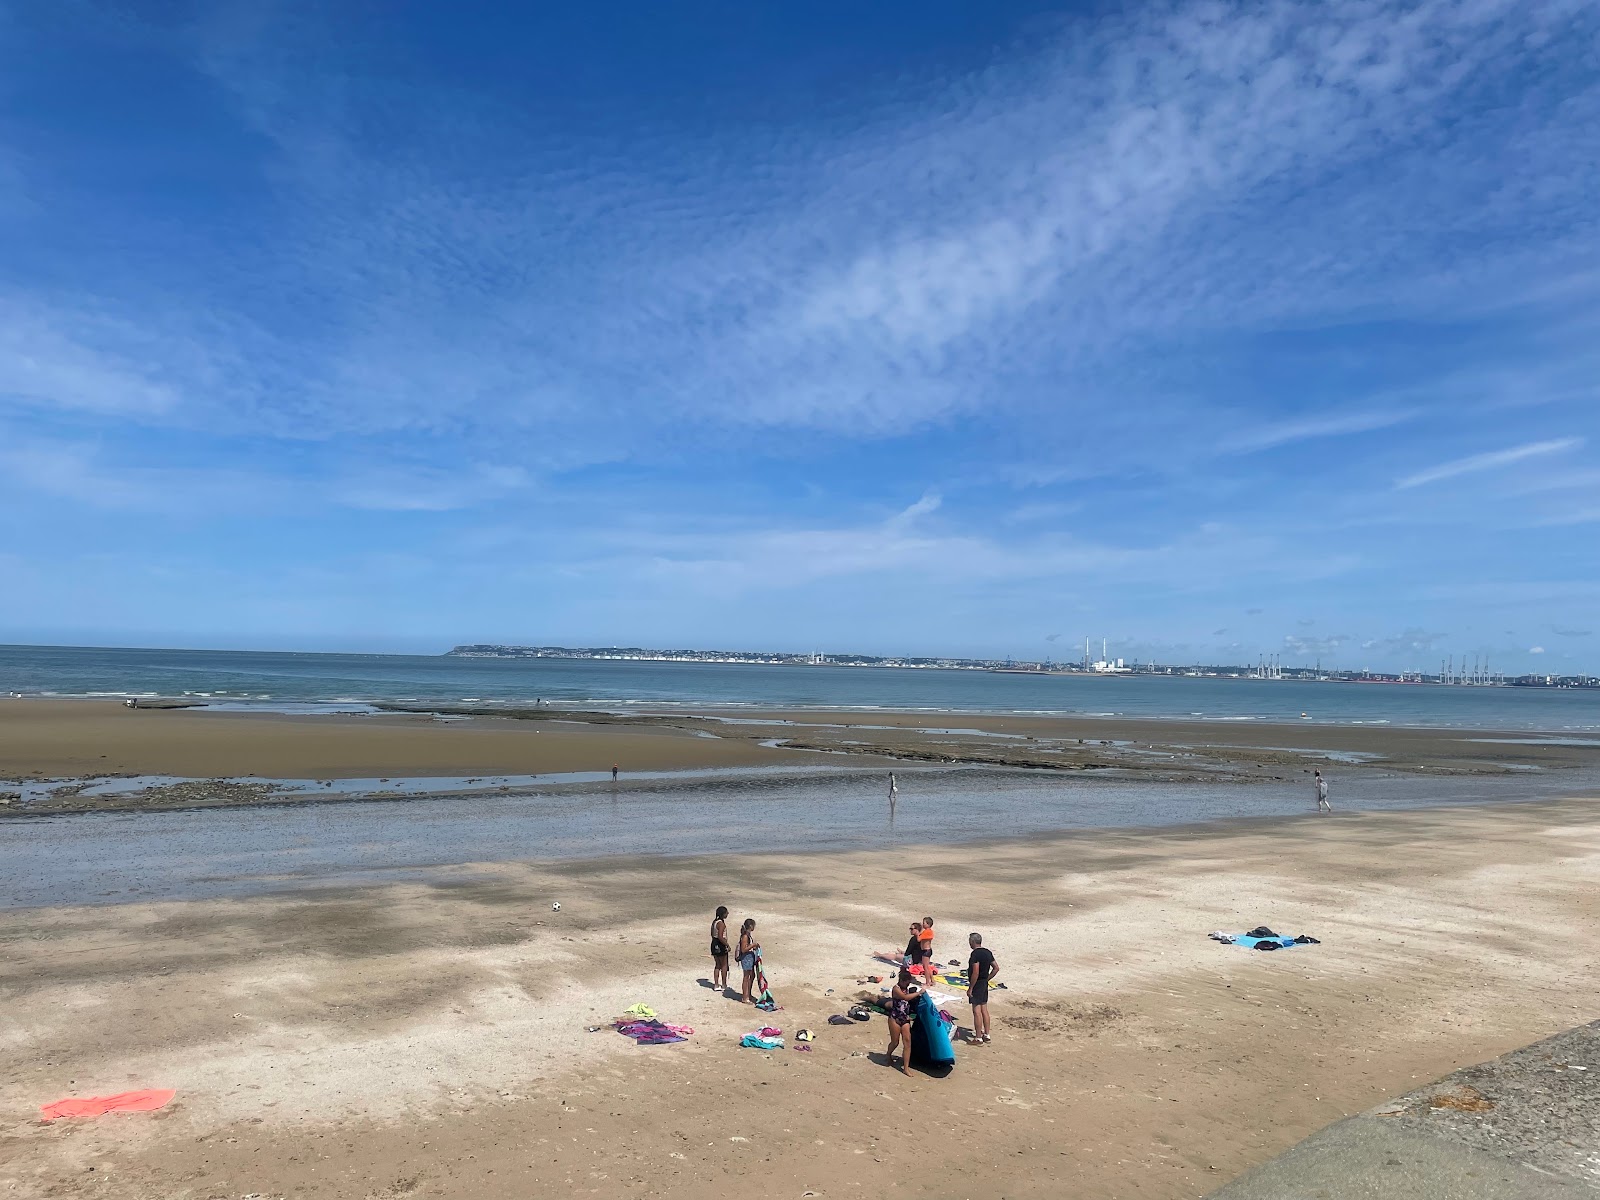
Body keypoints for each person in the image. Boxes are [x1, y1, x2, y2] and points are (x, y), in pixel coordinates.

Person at [884, 968, 918, 1076]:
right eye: (907, 983)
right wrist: (918, 993)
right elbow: (904, 997)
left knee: (907, 1042)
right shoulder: (896, 989)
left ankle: (906, 1068)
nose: (908, 985)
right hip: (895, 1018)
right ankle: (888, 1054)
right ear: (902, 981)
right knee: (895, 1042)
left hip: (905, 1019)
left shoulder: (906, 988)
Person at [966, 932, 998, 1044]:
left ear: (973, 942)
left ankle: (978, 1037)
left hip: (978, 984)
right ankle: (987, 1035)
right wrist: (987, 979)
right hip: (984, 983)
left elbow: (975, 972)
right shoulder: (987, 952)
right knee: (984, 1009)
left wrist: (971, 988)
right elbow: (996, 968)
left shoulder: (975, 955)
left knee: (976, 1011)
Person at [737, 918, 760, 1003]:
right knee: (746, 977)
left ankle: (748, 994)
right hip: (746, 958)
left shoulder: (748, 935)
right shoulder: (745, 936)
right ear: (750, 926)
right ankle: (745, 997)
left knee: (752, 975)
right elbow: (743, 949)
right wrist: (752, 945)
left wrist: (753, 946)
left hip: (749, 958)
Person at [709, 906, 731, 993]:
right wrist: (727, 945)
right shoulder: (721, 924)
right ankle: (724, 984)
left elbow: (713, 934)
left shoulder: (714, 922)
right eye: (726, 912)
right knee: (724, 965)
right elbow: (721, 937)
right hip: (720, 944)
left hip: (714, 943)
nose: (727, 914)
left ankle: (716, 984)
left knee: (717, 965)